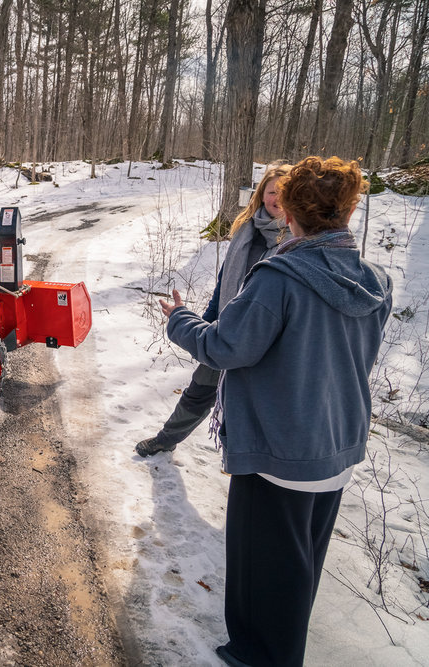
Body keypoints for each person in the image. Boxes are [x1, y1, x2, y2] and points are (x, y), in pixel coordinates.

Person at [159, 156, 392, 666]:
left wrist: (179, 320)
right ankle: (269, 649)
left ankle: (261, 657)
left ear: (287, 212)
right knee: (298, 564)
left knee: (267, 569)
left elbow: (225, 347)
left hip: (279, 448)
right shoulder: (375, 280)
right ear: (348, 211)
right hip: (337, 444)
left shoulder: (279, 278)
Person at [136, 162, 292, 457]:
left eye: (285, 193)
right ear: (261, 195)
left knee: (251, 409)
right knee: (199, 392)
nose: (277, 199)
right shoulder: (246, 232)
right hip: (227, 332)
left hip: (264, 343)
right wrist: (204, 326)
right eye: (272, 192)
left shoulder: (296, 242)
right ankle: (166, 439)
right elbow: (223, 286)